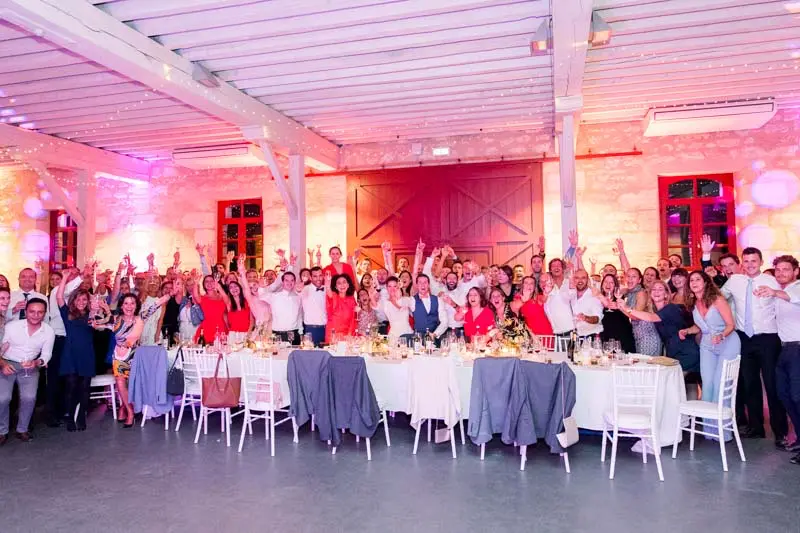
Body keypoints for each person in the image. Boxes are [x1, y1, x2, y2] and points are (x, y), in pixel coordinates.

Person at [721, 247, 787, 445]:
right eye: (747, 261)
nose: (750, 264)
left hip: (768, 338)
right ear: (742, 262)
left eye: (754, 261)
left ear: (761, 261)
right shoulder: (735, 281)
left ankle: (780, 432)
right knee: (750, 385)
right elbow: (718, 297)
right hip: (744, 339)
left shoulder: (772, 281)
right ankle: (756, 428)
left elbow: (787, 301)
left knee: (772, 385)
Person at [680, 271, 740, 440]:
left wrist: (721, 335)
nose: (694, 282)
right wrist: (687, 330)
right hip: (707, 345)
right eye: (691, 280)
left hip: (727, 342)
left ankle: (723, 431)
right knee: (707, 384)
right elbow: (701, 326)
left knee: (721, 384)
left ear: (706, 282)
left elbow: (731, 324)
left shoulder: (718, 299)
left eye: (698, 279)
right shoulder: (693, 303)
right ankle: (709, 430)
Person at [755, 255, 800, 457]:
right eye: (778, 270)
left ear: (796, 271)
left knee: (797, 397)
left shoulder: (796, 288)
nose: (781, 273)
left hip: (797, 348)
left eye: (786, 269)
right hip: (784, 349)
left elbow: (790, 297)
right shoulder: (781, 291)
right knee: (784, 395)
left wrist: (773, 291)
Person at [0, 297, 54, 444]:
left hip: (30, 366)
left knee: (29, 398)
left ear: (44, 313)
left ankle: (22, 429)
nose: (36, 315)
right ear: (26, 311)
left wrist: (37, 362)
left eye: (40, 312)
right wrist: (3, 364)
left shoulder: (48, 331)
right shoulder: (12, 327)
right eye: (32, 312)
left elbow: (46, 354)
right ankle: (1, 431)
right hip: (7, 364)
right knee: (3, 398)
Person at [619, 280, 700, 374]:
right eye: (654, 289)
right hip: (674, 353)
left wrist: (627, 309)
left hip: (686, 352)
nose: (656, 292)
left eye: (660, 289)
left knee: (675, 384)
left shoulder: (670, 308)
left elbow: (650, 318)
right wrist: (621, 307)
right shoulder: (656, 311)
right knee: (679, 385)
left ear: (666, 294)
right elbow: (639, 317)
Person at [56, 273, 96, 432]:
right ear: (73, 300)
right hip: (71, 353)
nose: (81, 302)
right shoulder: (67, 313)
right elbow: (59, 296)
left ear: (88, 302)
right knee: (71, 386)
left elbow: (105, 322)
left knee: (85, 387)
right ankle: (70, 417)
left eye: (84, 300)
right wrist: (65, 277)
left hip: (87, 354)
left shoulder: (91, 315)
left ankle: (81, 417)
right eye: (78, 299)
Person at [625, 268, 662, 356]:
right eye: (628, 276)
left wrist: (621, 307)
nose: (630, 279)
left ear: (639, 280)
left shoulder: (641, 293)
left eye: (633, 277)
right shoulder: (631, 292)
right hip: (638, 336)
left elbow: (636, 317)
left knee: (647, 367)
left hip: (648, 337)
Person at [598, 273, 635, 353]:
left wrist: (621, 307)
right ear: (602, 284)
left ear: (615, 286)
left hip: (622, 337)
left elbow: (631, 315)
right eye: (606, 282)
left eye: (611, 282)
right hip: (606, 337)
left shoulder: (621, 299)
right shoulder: (598, 300)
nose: (608, 284)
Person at [191, 274, 231, 345]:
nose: (209, 283)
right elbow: (196, 295)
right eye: (206, 281)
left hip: (220, 326)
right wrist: (196, 283)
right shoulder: (203, 298)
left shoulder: (222, 296)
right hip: (207, 327)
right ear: (204, 284)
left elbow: (227, 302)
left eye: (211, 281)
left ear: (215, 282)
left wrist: (219, 288)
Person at [411, 274, 448, 343]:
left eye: (425, 282)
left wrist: (435, 334)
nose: (423, 285)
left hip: (434, 338)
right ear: (416, 285)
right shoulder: (411, 300)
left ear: (428, 285)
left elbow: (445, 321)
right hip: (418, 339)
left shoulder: (438, 300)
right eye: (420, 282)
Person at [544, 258, 575, 339]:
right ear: (550, 270)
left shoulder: (570, 283)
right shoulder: (547, 286)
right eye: (553, 266)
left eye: (559, 266)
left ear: (563, 268)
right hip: (555, 334)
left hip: (573, 331)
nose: (556, 268)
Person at [379, 276, 414, 342]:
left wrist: (395, 300)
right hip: (393, 336)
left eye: (395, 286)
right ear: (386, 288)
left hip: (407, 334)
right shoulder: (385, 303)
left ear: (398, 287)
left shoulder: (406, 300)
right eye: (389, 286)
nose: (392, 289)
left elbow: (401, 308)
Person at [571, 270, 603, 340]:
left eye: (583, 278)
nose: (580, 281)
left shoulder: (594, 295)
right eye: (577, 278)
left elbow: (597, 319)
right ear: (573, 280)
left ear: (588, 280)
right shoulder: (570, 295)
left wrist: (585, 318)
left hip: (591, 337)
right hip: (574, 337)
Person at [325, 273, 356, 343]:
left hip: (347, 335)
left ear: (348, 285)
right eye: (339, 283)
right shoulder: (334, 295)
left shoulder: (351, 299)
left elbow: (353, 320)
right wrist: (327, 285)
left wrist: (350, 334)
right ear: (335, 287)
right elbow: (329, 293)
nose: (342, 285)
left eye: (344, 282)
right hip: (333, 335)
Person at [300, 267, 327, 347]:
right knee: (311, 356)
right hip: (311, 329)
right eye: (315, 276)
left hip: (326, 329)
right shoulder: (305, 289)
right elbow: (298, 293)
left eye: (320, 275)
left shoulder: (326, 289)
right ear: (311, 278)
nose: (318, 278)